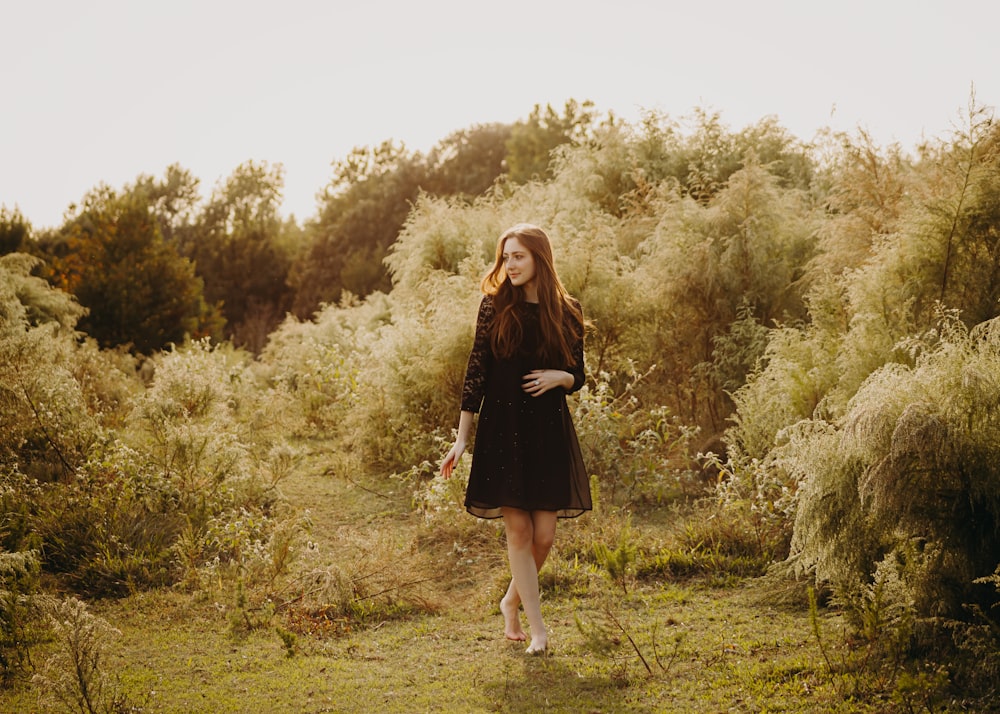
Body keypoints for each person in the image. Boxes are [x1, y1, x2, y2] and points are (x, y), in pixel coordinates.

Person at [440, 223, 591, 655]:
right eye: (506, 257)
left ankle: (511, 599)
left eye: (519, 256)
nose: (510, 264)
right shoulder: (493, 308)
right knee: (519, 532)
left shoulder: (568, 310)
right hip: (501, 429)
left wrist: (561, 377)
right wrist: (462, 439)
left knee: (544, 535)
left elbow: (578, 374)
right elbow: (476, 374)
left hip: (546, 431)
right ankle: (538, 630)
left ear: (539, 258)